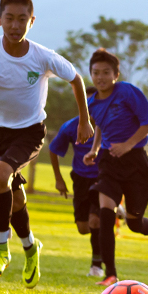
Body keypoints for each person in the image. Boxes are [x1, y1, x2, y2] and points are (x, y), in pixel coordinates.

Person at [0, 0, 93, 289]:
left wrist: (84, 120)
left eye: (22, 19)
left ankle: (0, 248)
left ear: (32, 20)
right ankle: (31, 249)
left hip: (30, 131)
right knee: (14, 199)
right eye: (9, 19)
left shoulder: (41, 56)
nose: (15, 25)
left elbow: (76, 78)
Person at [82, 49, 148, 286]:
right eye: (96, 73)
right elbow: (99, 125)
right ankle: (111, 274)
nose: (100, 77)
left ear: (116, 74)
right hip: (109, 163)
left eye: (106, 72)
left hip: (136, 162)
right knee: (106, 215)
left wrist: (128, 145)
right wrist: (95, 149)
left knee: (134, 223)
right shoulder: (92, 103)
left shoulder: (127, 91)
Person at [48, 87, 108, 277]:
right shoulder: (70, 127)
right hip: (80, 179)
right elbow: (53, 149)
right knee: (84, 228)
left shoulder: (108, 126)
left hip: (102, 178)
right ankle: (111, 216)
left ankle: (96, 266)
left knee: (95, 221)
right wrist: (59, 179)